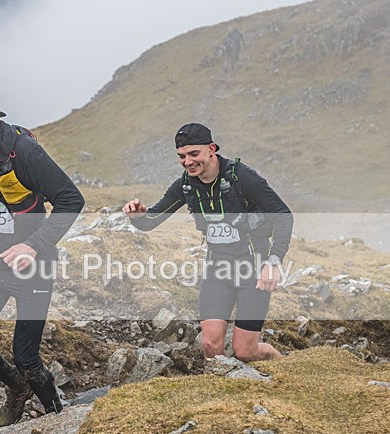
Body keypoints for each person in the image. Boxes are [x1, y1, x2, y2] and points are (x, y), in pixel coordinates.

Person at [0, 79, 84, 426]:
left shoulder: (23, 152)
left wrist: (33, 245)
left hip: (33, 268)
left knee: (27, 357)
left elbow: (72, 200)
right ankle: (17, 388)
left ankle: (57, 420)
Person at [122, 123, 293, 362]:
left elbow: (283, 216)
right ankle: (224, 393)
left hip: (253, 272)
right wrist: (137, 216)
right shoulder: (185, 185)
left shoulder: (241, 177)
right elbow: (149, 223)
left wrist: (273, 262)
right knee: (210, 346)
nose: (188, 162)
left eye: (194, 154)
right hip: (218, 272)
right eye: (181, 156)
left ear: (211, 149)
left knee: (245, 351)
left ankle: (282, 361)